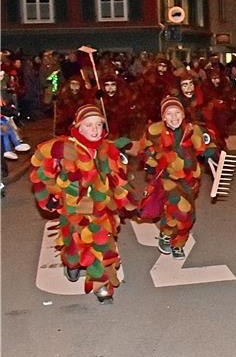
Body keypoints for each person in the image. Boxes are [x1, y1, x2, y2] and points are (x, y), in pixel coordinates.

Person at [29, 104, 133, 304]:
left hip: (101, 211)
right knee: (74, 247)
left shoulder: (108, 149)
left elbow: (118, 179)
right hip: (73, 209)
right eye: (89, 125)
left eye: (98, 125)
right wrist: (48, 196)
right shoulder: (63, 147)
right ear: (78, 126)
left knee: (103, 245)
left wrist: (124, 200)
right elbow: (40, 172)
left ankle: (101, 284)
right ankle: (72, 263)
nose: (95, 130)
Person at [139, 96, 218, 260]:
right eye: (169, 113)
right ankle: (168, 235)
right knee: (178, 208)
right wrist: (150, 161)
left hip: (189, 179)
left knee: (188, 216)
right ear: (163, 116)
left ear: (183, 114)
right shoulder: (154, 131)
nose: (173, 117)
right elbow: (147, 148)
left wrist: (210, 151)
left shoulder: (192, 130)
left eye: (177, 113)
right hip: (167, 178)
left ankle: (178, 242)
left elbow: (207, 143)